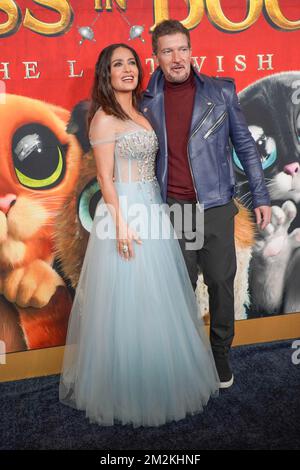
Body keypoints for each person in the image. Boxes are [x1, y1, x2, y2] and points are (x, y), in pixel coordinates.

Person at [59, 43, 220, 428]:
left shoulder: (142, 111)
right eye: (118, 65)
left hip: (153, 209)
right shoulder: (103, 119)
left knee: (158, 297)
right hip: (126, 213)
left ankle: (161, 378)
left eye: (131, 62)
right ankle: (129, 389)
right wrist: (120, 223)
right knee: (129, 299)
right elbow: (103, 178)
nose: (127, 69)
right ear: (107, 74)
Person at [141, 20, 271, 388]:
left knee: (221, 283)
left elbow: (245, 146)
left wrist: (260, 195)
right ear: (157, 57)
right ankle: (184, 355)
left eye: (182, 49)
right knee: (180, 287)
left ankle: (219, 354)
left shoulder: (220, 92)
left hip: (214, 205)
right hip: (176, 209)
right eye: (167, 51)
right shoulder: (147, 101)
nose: (176, 58)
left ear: (191, 51)